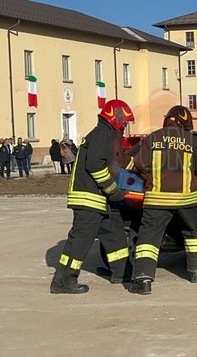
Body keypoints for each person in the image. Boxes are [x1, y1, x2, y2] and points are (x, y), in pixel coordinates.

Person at [49, 99, 135, 294]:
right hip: (89, 199)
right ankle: (63, 281)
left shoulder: (103, 134)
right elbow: (96, 166)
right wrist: (114, 191)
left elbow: (112, 163)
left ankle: (122, 273)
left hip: (99, 199)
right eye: (124, 122)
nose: (124, 126)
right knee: (80, 242)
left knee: (115, 236)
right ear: (116, 117)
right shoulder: (104, 134)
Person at [130, 105, 197, 295]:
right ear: (185, 123)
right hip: (186, 200)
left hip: (157, 200)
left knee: (148, 239)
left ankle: (143, 280)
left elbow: (139, 164)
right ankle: (196, 274)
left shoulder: (153, 138)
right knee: (193, 234)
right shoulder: (192, 142)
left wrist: (150, 177)